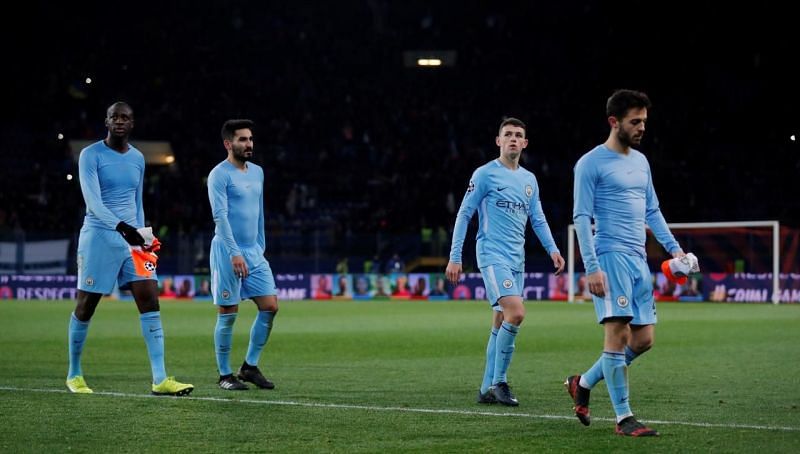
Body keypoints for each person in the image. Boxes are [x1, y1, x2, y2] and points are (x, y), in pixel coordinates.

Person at [566, 89, 686, 437]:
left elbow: (653, 210)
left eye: (644, 121)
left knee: (644, 338)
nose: (641, 127)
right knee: (617, 334)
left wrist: (674, 250)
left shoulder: (641, 161)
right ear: (613, 122)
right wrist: (591, 266)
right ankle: (624, 418)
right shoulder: (590, 163)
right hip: (609, 256)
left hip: (638, 258)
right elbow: (581, 215)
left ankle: (583, 382)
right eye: (635, 121)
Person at [66, 101, 193, 396]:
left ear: (132, 123)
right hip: (99, 236)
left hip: (133, 241)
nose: (120, 121)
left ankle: (160, 379)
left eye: (125, 117)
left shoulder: (138, 158)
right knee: (87, 305)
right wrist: (125, 228)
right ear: (106, 122)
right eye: (114, 117)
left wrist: (143, 235)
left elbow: (136, 200)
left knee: (150, 299)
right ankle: (74, 374)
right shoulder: (90, 155)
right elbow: (93, 203)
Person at [446, 117, 565, 407]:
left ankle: (486, 387)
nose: (513, 138)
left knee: (501, 319)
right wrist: (455, 256)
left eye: (518, 135)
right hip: (492, 255)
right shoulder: (485, 174)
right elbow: (464, 214)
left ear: (524, 143)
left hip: (517, 259)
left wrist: (552, 249)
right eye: (507, 134)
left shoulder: (529, 180)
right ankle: (500, 382)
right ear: (498, 141)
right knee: (517, 312)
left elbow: (537, 218)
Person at [208, 119, 278, 391]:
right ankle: (225, 375)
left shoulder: (258, 172)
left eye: (250, 139)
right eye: (242, 139)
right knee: (228, 312)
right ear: (228, 143)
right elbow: (220, 216)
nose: (248, 144)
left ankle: (249, 367)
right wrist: (235, 253)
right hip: (228, 251)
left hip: (254, 252)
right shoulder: (219, 175)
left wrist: (260, 246)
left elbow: (259, 211)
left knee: (270, 306)